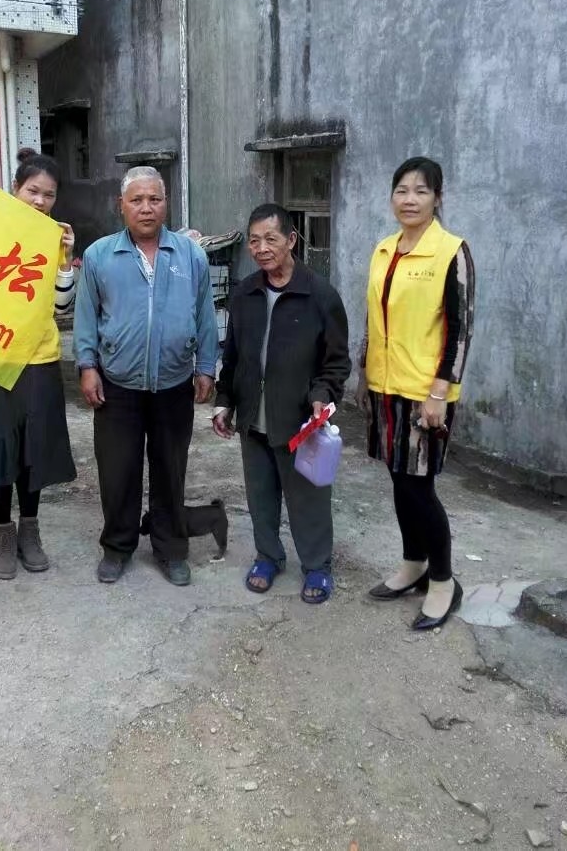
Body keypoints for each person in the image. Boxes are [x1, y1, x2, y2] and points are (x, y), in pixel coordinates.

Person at [73, 166, 219, 586]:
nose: (146, 208)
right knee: (117, 471)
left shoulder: (190, 255)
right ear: (121, 205)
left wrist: (206, 366)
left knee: (170, 470)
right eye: (136, 200)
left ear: (165, 203)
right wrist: (87, 366)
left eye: (154, 199)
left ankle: (170, 548)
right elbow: (86, 317)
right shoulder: (100, 255)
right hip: (117, 384)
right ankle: (117, 547)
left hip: (174, 383)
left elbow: (205, 314)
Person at [357, 156, 474, 631]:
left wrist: (439, 392)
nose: (410, 199)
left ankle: (443, 582)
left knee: (418, 487)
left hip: (426, 393)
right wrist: (364, 374)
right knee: (397, 479)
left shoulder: (451, 251)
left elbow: (461, 330)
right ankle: (413, 563)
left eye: (421, 191)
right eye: (402, 190)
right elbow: (373, 317)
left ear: (437, 198)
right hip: (384, 387)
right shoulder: (385, 249)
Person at [213, 204, 351, 603]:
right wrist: (224, 401)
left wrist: (321, 396)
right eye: (254, 241)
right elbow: (232, 356)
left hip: (298, 420)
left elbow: (336, 362)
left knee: (308, 497)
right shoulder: (245, 293)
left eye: (270, 239)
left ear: (291, 240)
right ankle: (268, 556)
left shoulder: (320, 295)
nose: (261, 248)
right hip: (253, 418)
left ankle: (317, 566)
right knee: (260, 496)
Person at [0, 149, 77, 580]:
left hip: (38, 359)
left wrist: (66, 261)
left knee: (34, 450)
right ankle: (2, 532)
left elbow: (61, 307)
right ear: (15, 188)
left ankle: (30, 531)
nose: (40, 201)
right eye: (33, 191)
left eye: (49, 195)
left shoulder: (54, 238)